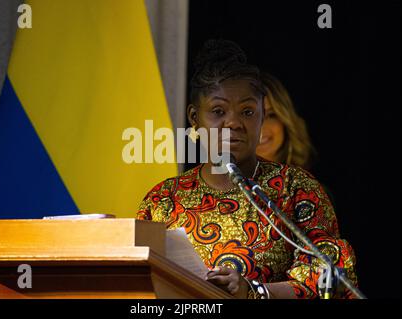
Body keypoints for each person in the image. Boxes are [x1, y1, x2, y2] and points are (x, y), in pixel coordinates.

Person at [137, 39, 358, 299]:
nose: (233, 122)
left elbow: (329, 274)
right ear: (195, 119)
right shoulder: (163, 200)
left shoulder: (296, 188)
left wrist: (253, 291)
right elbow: (139, 279)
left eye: (248, 112)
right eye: (218, 111)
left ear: (262, 118)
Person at [256, 72, 314, 170]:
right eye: (249, 115)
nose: (261, 127)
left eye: (271, 115)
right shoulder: (222, 183)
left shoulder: (308, 184)